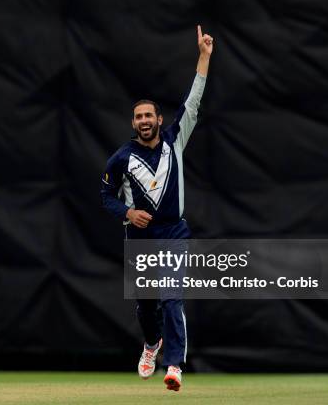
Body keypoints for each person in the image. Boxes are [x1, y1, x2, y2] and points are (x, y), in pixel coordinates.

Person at [100, 25, 213, 392]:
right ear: (133, 123)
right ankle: (151, 344)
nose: (145, 121)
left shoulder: (174, 139)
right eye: (139, 117)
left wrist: (204, 56)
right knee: (147, 307)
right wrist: (127, 213)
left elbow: (192, 101)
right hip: (140, 238)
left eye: (150, 115)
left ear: (159, 119)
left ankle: (175, 365)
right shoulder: (120, 159)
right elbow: (106, 196)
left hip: (174, 233)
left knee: (171, 297)